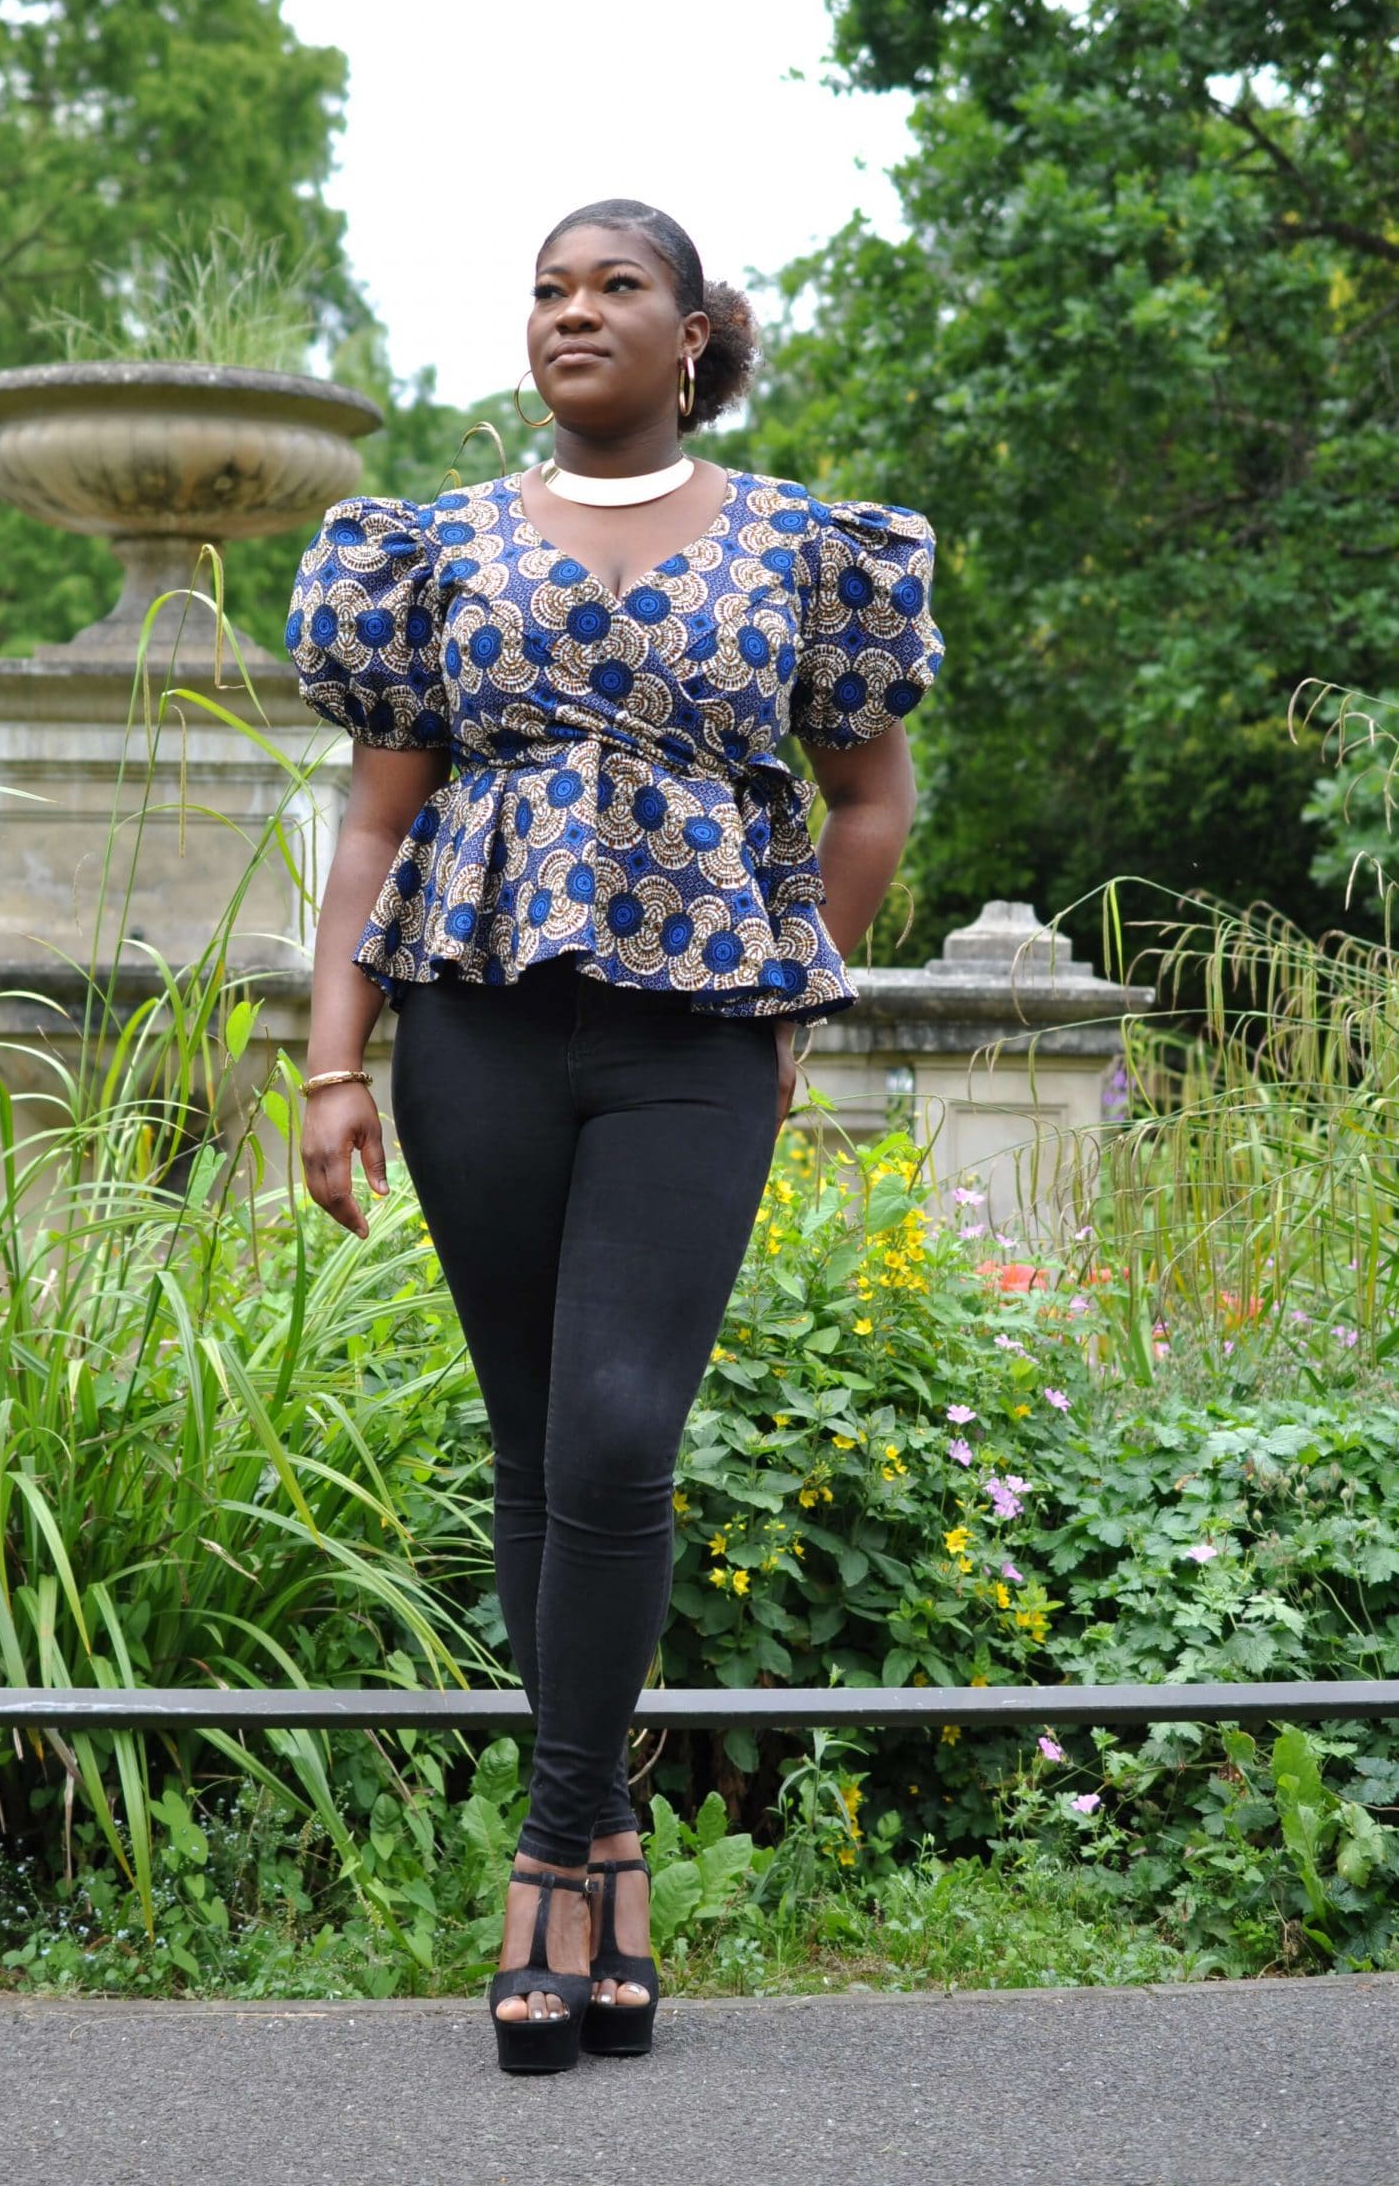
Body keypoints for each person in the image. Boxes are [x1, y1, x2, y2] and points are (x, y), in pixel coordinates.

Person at [284, 198, 944, 2072]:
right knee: (528, 1450)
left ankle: (550, 1850)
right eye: (550, 291)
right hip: (475, 1031)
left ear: (692, 335)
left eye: (615, 289)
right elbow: (371, 823)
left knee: (619, 1428)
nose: (575, 313)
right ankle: (619, 1842)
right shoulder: (432, 545)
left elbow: (869, 794)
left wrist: (789, 974)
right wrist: (337, 1066)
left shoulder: (803, 545)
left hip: (692, 1049)